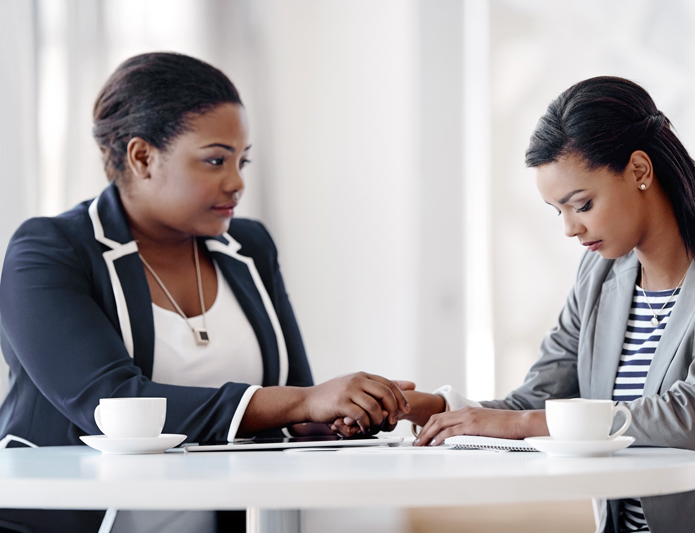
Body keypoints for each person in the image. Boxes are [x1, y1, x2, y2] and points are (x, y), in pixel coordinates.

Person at [0, 52, 408, 533]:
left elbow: (294, 395)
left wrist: (341, 413)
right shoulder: (50, 249)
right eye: (215, 160)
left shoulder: (249, 246)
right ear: (142, 157)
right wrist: (303, 402)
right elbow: (112, 404)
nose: (236, 182)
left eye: (242, 160)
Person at [400, 77, 695, 532]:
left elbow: (692, 417)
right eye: (559, 211)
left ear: (639, 170)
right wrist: (422, 406)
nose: (570, 229)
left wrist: (520, 424)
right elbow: (535, 401)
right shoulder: (600, 275)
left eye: (582, 204)